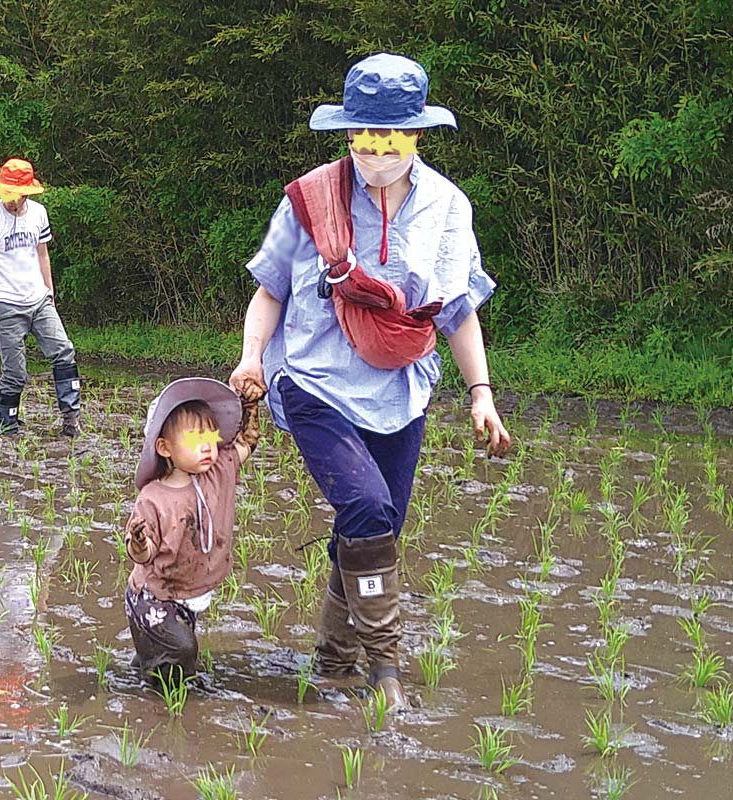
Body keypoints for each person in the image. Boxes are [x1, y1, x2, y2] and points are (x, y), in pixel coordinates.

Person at [229, 53, 512, 709]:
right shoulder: (310, 199)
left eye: (392, 138)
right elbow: (269, 291)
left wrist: (482, 395)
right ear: (349, 133)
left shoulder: (447, 206)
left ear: (416, 134)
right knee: (365, 508)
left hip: (401, 388)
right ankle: (385, 668)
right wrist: (251, 358)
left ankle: (331, 661)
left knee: (376, 529)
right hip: (313, 379)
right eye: (366, 137)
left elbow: (458, 309)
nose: (378, 151)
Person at [123, 378, 261, 682]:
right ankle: (161, 708)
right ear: (165, 447)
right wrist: (139, 540)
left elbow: (246, 442)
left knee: (160, 658)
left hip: (185, 594)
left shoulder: (219, 472)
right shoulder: (154, 498)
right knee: (182, 651)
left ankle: (140, 679)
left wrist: (251, 405)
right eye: (195, 439)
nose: (208, 446)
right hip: (152, 598)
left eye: (211, 436)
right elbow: (142, 555)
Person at [0, 158, 82, 438]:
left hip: (38, 300)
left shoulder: (38, 214)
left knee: (64, 351)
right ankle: (9, 428)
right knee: (15, 372)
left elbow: (42, 254)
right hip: (5, 304)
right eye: (8, 195)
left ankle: (71, 421)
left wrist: (50, 292)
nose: (12, 201)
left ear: (27, 192)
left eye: (18, 196)